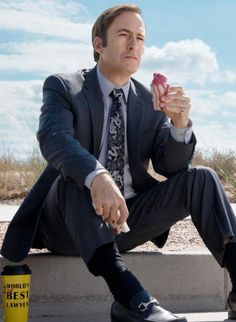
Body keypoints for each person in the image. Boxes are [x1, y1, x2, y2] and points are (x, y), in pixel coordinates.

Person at [1, 4, 236, 322]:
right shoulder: (65, 87)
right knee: (71, 176)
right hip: (68, 225)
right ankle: (132, 298)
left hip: (127, 221)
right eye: (124, 34)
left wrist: (180, 126)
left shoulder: (149, 103)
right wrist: (96, 176)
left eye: (140, 37)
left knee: (203, 178)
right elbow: (54, 139)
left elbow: (171, 167)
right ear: (99, 44)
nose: (134, 44)